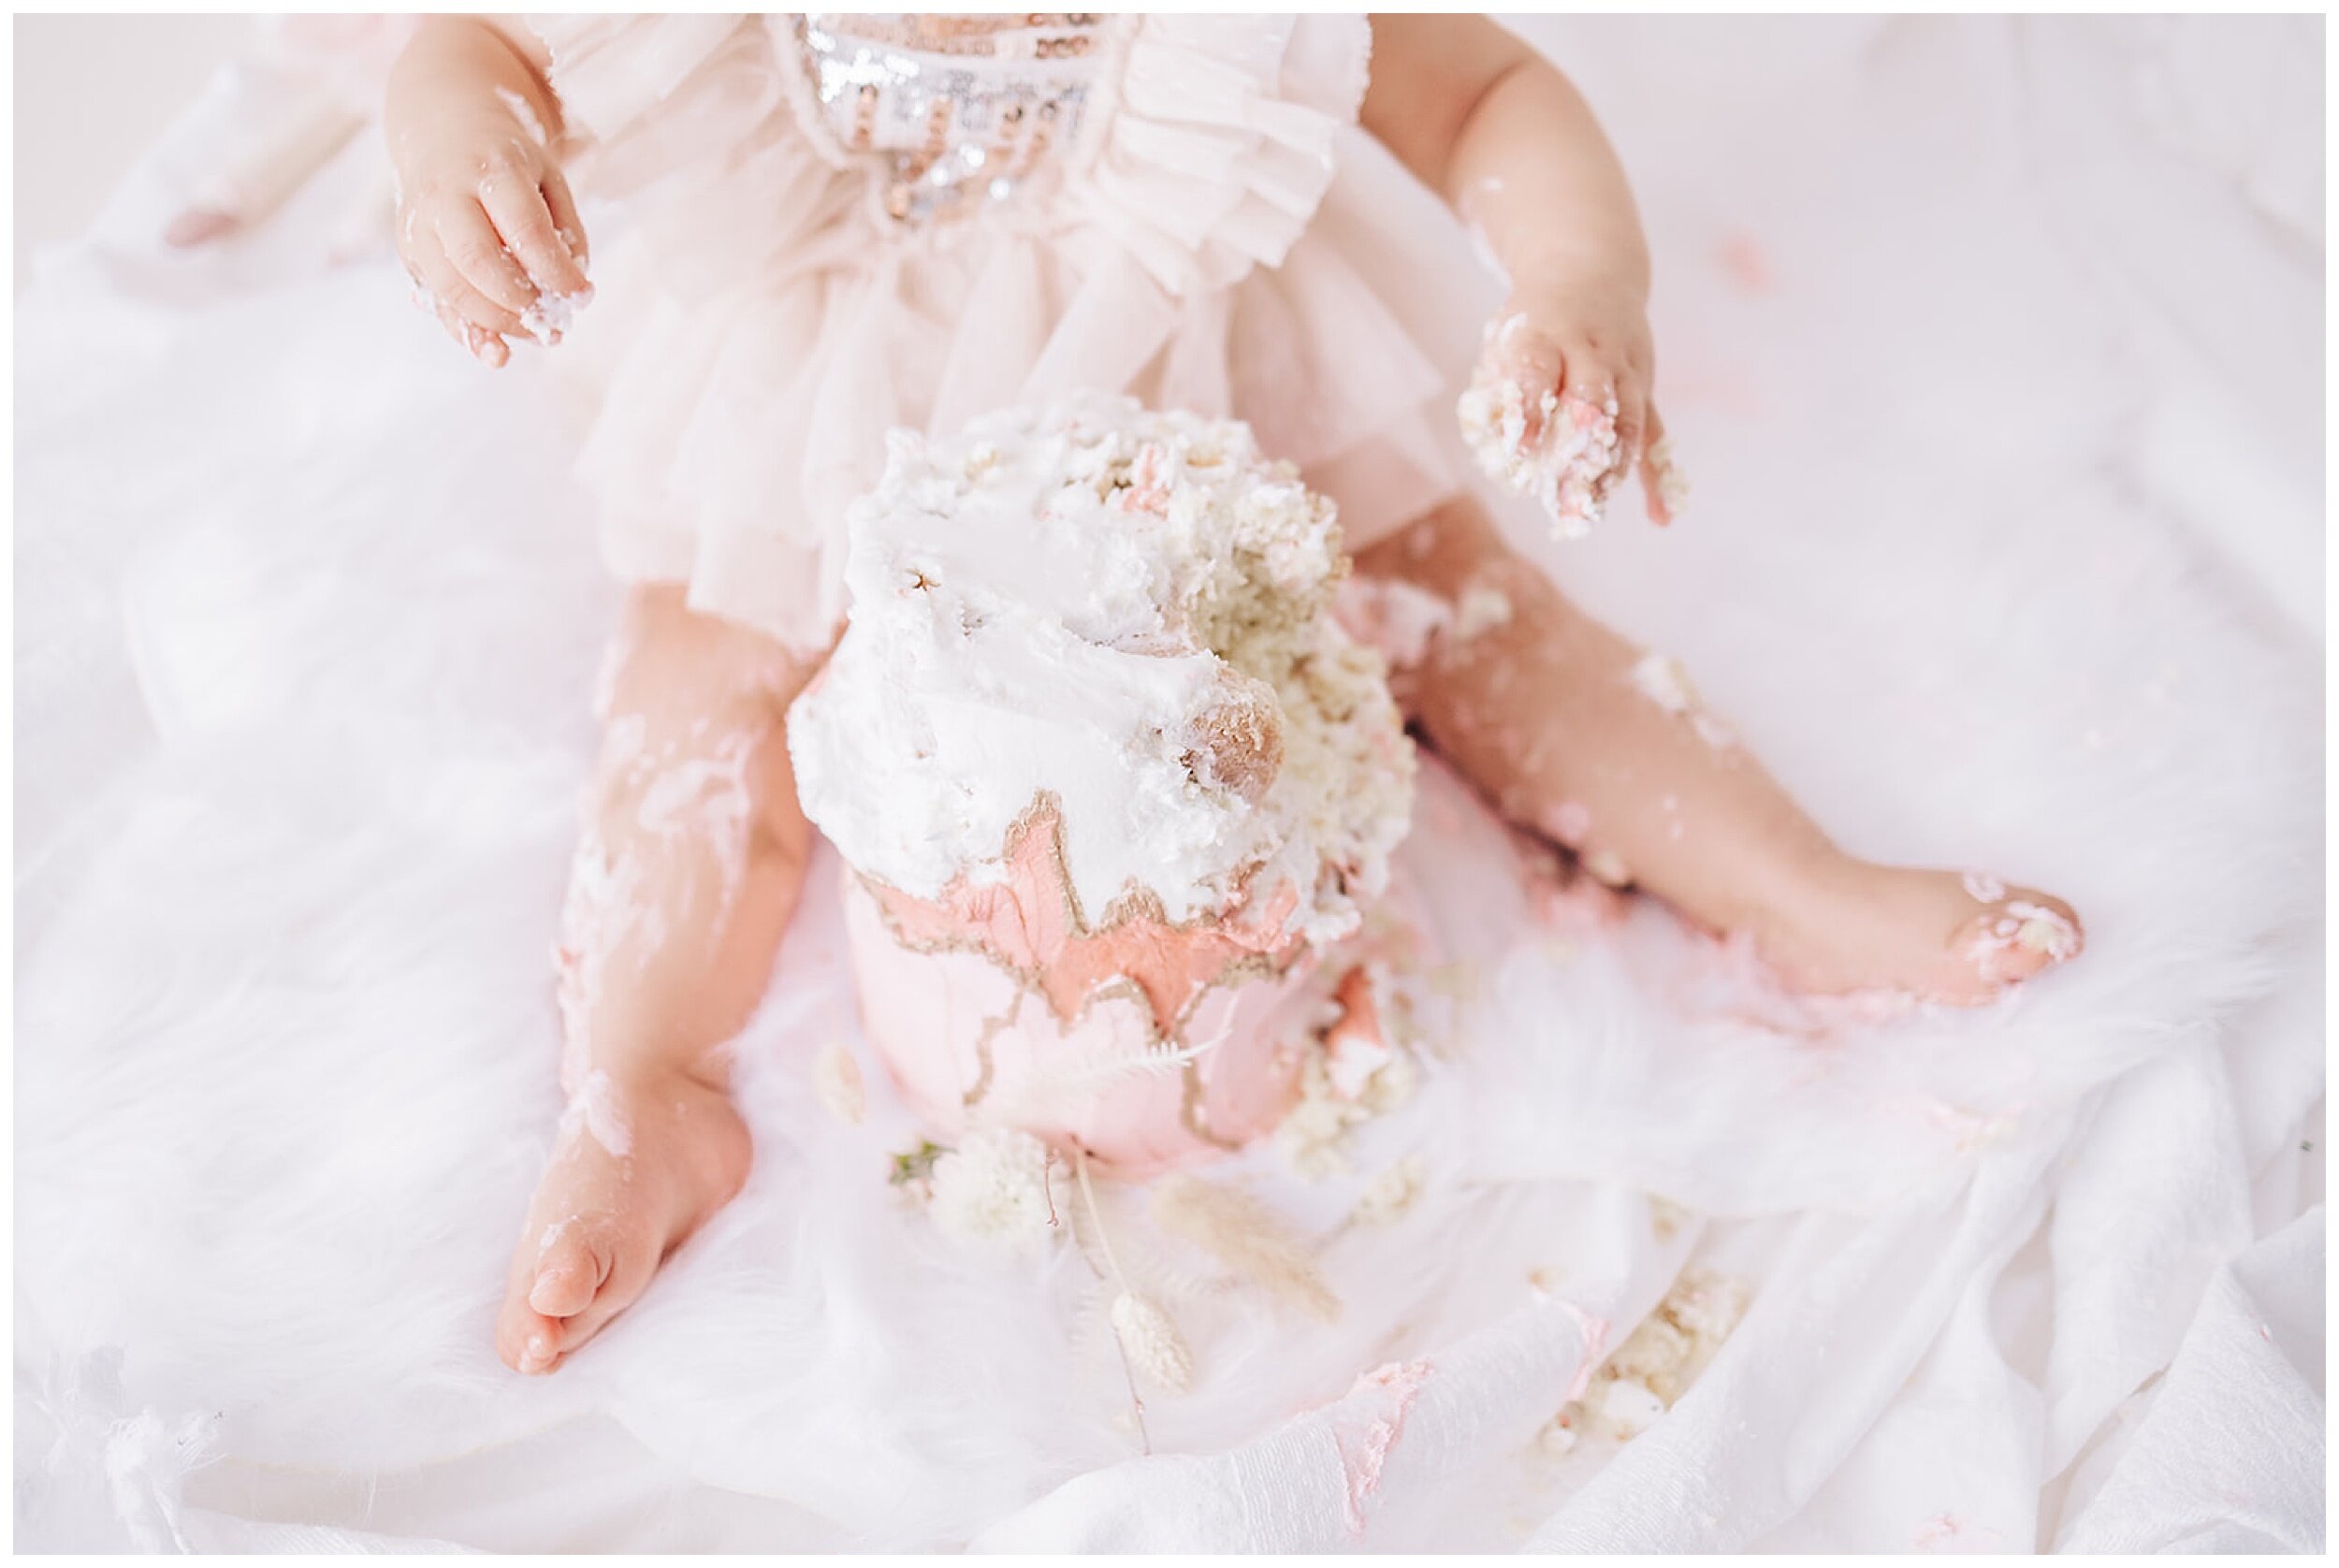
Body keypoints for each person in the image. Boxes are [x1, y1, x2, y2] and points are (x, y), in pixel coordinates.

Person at [381, 12, 2082, 1377]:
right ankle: (654, 1078)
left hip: (1196, 374)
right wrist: (462, 127)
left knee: (1475, 613)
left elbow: (1480, 85)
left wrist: (1577, 288)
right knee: (693, 704)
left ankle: (1789, 888)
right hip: (828, 384)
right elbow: (481, 41)